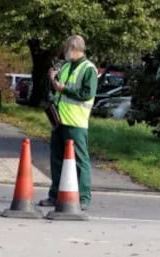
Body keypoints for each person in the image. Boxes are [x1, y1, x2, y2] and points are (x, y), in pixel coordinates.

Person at [39, 35, 98, 211]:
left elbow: (87, 93)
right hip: (59, 120)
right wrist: (52, 80)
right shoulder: (65, 66)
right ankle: (55, 195)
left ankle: (83, 198)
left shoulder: (89, 69)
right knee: (56, 158)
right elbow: (56, 90)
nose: (64, 52)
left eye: (66, 49)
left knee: (80, 161)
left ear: (74, 48)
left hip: (76, 122)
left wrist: (65, 88)